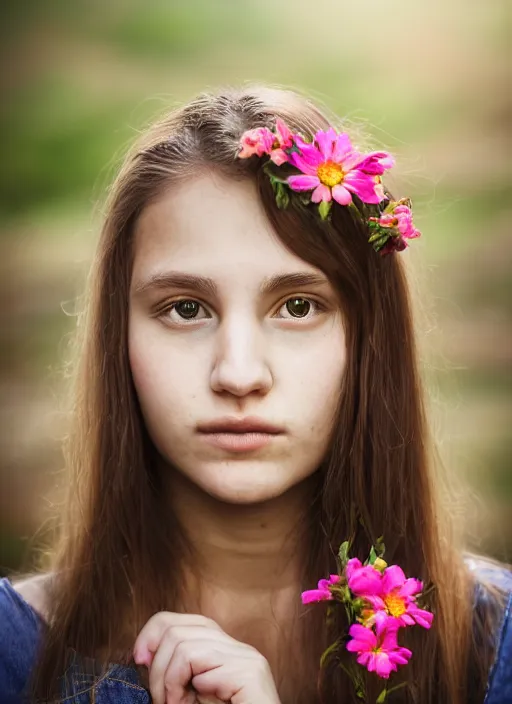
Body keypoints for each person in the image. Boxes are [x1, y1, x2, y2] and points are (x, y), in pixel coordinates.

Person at [0, 85, 510, 704]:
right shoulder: (13, 655)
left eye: (298, 306)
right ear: (119, 336)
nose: (239, 375)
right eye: (185, 308)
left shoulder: (491, 653)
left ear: (369, 339)